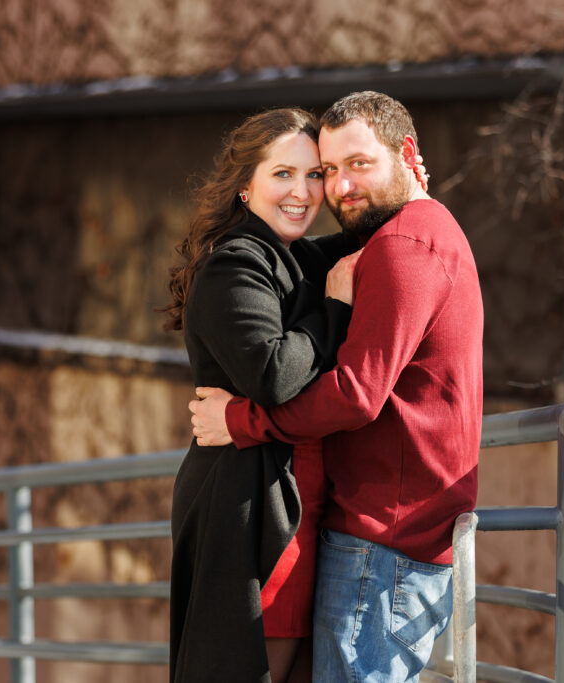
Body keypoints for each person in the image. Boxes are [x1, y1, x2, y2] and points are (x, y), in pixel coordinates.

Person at [190, 91, 484, 683]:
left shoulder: (401, 244)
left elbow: (354, 393)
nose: (334, 188)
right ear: (244, 186)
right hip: (347, 527)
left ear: (406, 154)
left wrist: (241, 421)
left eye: (357, 165)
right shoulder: (401, 233)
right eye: (327, 172)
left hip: (383, 539)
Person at [162, 107, 365, 683]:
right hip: (248, 514)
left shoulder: (291, 256)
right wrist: (336, 310)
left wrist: (408, 188)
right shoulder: (236, 263)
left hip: (285, 506)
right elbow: (274, 374)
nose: (302, 192)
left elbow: (371, 234)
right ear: (245, 187)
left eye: (314, 175)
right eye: (282, 174)